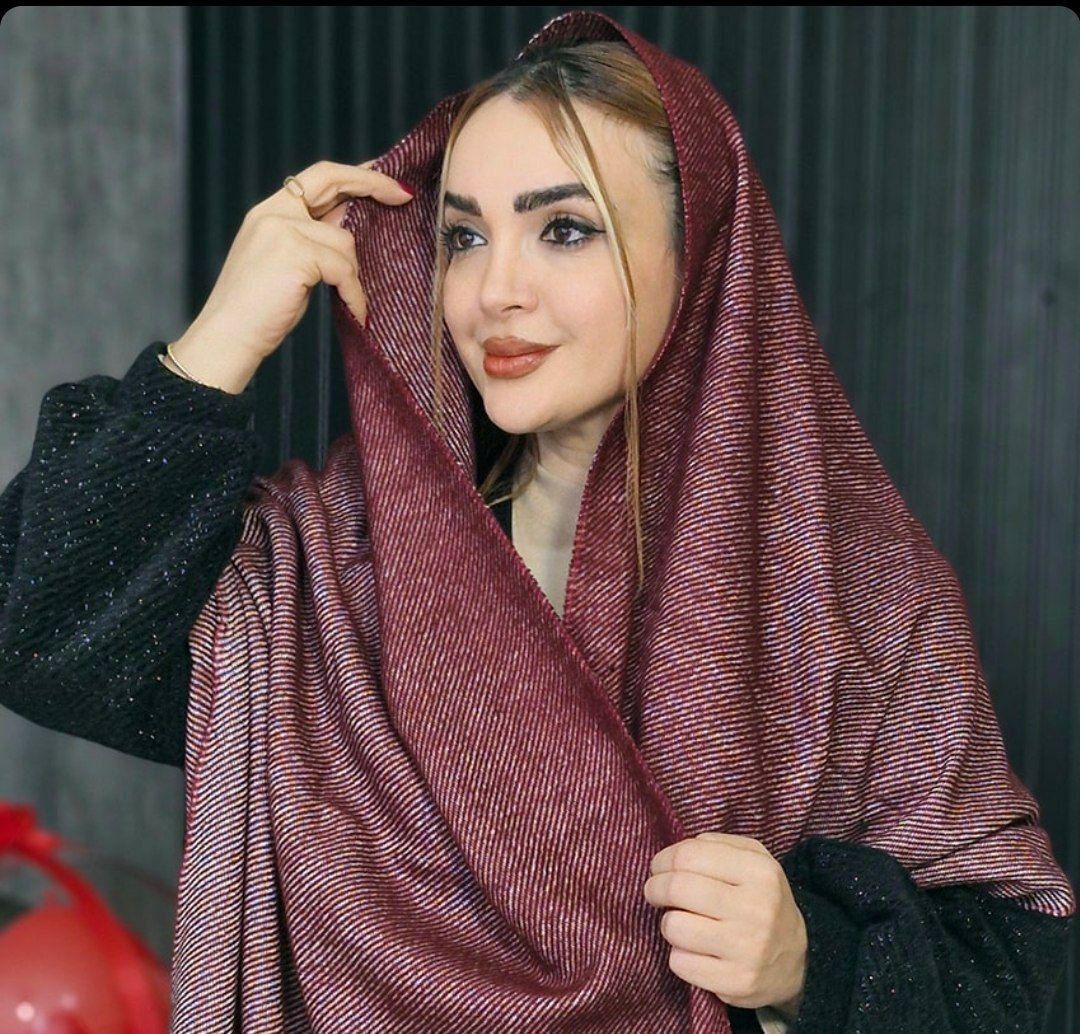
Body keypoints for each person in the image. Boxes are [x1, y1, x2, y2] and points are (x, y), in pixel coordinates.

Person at [2, 10, 1074, 1033]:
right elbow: (35, 627)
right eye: (463, 236)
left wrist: (812, 960)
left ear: (701, 254)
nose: (493, 290)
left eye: (564, 228)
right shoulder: (328, 567)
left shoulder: (854, 596)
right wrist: (214, 348)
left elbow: (1011, 965)